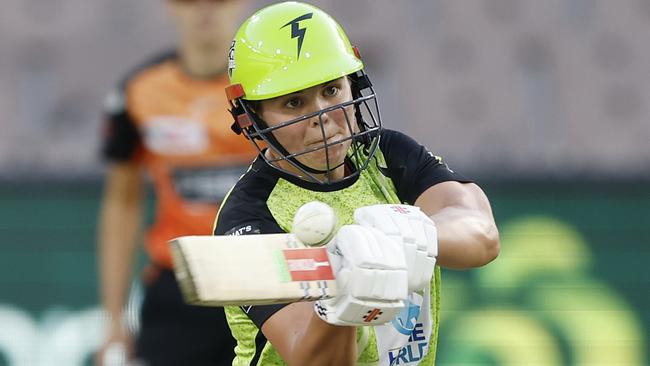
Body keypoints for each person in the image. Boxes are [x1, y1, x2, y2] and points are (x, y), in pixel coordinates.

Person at [214, 2, 500, 365]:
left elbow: (482, 235)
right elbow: (316, 361)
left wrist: (411, 236)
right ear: (251, 117)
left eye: (332, 91)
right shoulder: (247, 219)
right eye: (294, 102)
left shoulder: (388, 155)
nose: (322, 117)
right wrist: (347, 293)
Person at [96, 0, 255, 365]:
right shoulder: (138, 91)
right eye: (190, 0)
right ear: (171, 7)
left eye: (218, 1)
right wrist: (113, 320)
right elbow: (122, 203)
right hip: (180, 285)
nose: (204, 10)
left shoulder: (273, 87)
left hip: (266, 278)